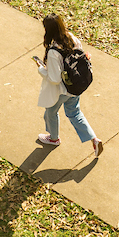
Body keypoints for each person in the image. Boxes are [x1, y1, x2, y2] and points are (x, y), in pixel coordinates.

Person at [34, 14, 102, 157]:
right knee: (75, 113)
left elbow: (54, 79)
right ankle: (94, 139)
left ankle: (54, 138)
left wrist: (41, 69)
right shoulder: (71, 37)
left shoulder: (54, 51)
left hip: (63, 91)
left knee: (50, 113)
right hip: (76, 87)